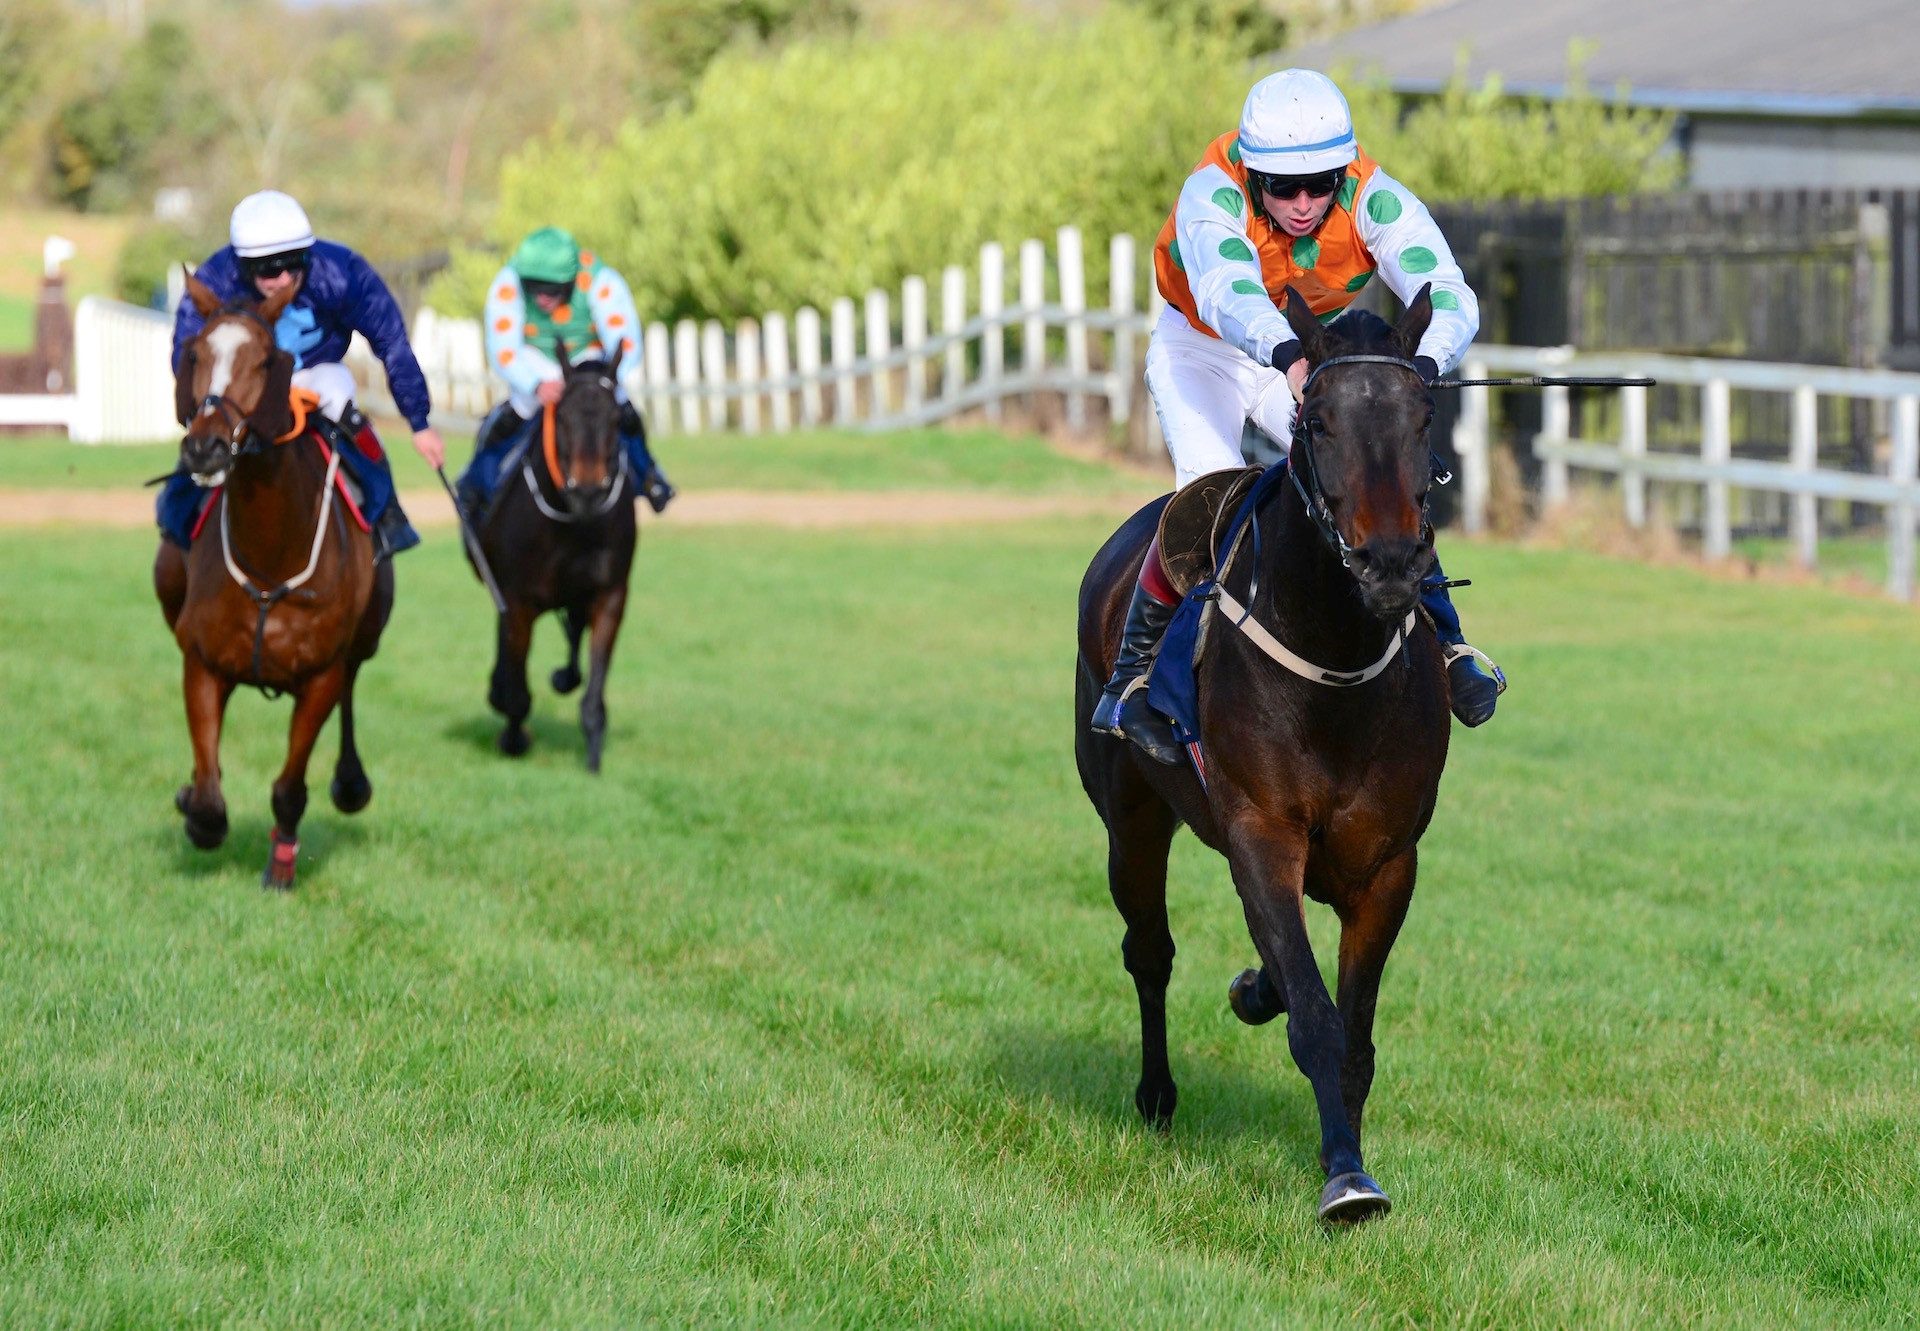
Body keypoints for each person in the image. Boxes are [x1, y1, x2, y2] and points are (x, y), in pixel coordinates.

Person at [1091, 68, 1506, 764]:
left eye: (1322, 182)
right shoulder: (1211, 192)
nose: (1306, 202)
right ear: (1254, 176)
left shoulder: (1373, 195)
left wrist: (1420, 366)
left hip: (1314, 357)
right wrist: (1289, 357)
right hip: (1206, 348)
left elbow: (1446, 290)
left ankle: (1451, 641)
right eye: (1284, 186)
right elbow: (1229, 290)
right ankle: (1134, 678)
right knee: (1209, 491)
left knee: (1377, 471)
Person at [160, 189, 442, 560]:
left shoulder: (342, 272)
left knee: (345, 408)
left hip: (315, 370)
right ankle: (176, 518)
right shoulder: (216, 277)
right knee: (212, 424)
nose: (283, 278)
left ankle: (387, 513)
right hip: (247, 381)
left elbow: (391, 340)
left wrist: (418, 421)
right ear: (243, 265)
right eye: (268, 269)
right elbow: (187, 352)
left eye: (294, 263)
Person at [459, 227, 674, 516]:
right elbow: (503, 350)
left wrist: (603, 380)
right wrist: (535, 385)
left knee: (620, 404)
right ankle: (476, 480)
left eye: (553, 289)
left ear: (572, 279)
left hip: (588, 357)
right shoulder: (508, 282)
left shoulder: (601, 280)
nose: (542, 298)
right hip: (534, 355)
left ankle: (649, 475)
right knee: (521, 407)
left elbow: (625, 342)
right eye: (534, 287)